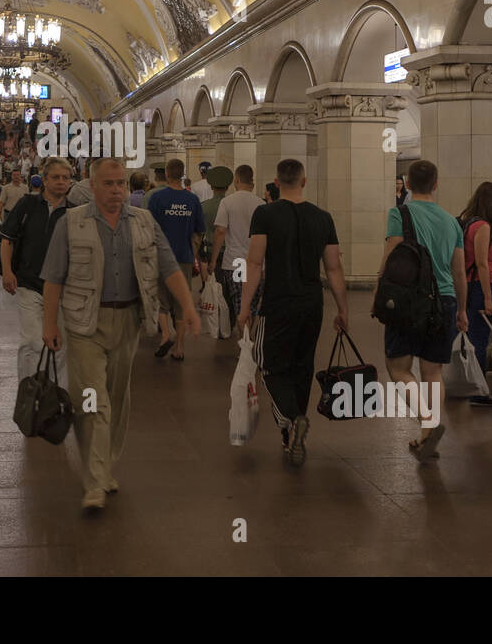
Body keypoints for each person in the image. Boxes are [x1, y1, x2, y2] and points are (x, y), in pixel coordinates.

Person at [40, 157, 199, 510]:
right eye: (109, 184)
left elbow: (169, 265)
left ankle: (104, 462)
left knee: (118, 397)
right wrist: (49, 324)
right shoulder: (71, 223)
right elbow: (53, 277)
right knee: (93, 398)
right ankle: (95, 481)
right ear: (92, 186)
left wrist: (187, 306)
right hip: (85, 324)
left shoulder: (143, 221)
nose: (116, 190)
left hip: (127, 320)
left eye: (121, 184)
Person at [237, 159, 347, 465]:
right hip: (312, 303)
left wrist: (245, 307)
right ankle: (290, 435)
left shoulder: (265, 214)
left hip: (278, 303)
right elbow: (334, 267)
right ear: (304, 181)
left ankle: (293, 417)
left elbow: (255, 263)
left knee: (269, 365)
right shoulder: (323, 217)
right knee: (302, 367)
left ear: (276, 182)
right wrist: (343, 309)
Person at [377, 159, 469, 462]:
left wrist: (379, 292)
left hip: (408, 301)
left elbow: (391, 255)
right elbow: (458, 272)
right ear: (436, 183)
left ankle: (427, 419)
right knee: (433, 372)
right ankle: (429, 430)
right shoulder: (452, 222)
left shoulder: (399, 213)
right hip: (443, 301)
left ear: (407, 183)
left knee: (399, 369)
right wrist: (462, 309)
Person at [0, 158, 73, 386]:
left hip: (63, 288)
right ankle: (29, 390)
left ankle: (56, 393)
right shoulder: (28, 204)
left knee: (60, 343)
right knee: (32, 340)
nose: (61, 182)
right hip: (30, 282)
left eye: (65, 178)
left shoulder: (74, 212)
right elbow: (7, 239)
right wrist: (7, 271)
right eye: (56, 177)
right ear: (44, 180)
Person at [147, 158, 207, 361]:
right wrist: (193, 250)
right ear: (182, 174)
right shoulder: (192, 200)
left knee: (161, 300)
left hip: (160, 257)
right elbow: (199, 230)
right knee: (182, 301)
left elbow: (149, 229)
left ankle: (166, 334)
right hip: (184, 257)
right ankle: (179, 347)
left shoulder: (157, 198)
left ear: (166, 172)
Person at [457, 182, 492, 407]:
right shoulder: (483, 226)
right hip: (478, 287)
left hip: (467, 285)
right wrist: (488, 298)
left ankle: (470, 385)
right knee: (478, 339)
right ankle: (478, 391)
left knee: (470, 337)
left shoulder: (468, 221)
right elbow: (481, 263)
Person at [212, 164, 262, 343]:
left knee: (240, 303)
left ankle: (246, 342)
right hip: (257, 263)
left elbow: (220, 232)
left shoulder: (228, 202)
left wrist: (212, 261)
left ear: (237, 180)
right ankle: (248, 338)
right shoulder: (261, 204)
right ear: (252, 182)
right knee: (252, 303)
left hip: (235, 261)